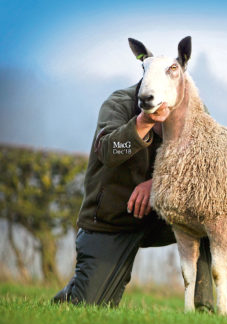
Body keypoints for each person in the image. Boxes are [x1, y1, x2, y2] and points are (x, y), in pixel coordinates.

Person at [52, 82, 214, 310]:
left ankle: (203, 311)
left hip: (161, 217)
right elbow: (109, 151)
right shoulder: (117, 103)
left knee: (211, 212)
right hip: (113, 220)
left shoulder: (193, 106)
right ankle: (75, 291)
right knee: (89, 306)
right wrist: (145, 121)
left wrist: (159, 182)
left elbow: (207, 165)